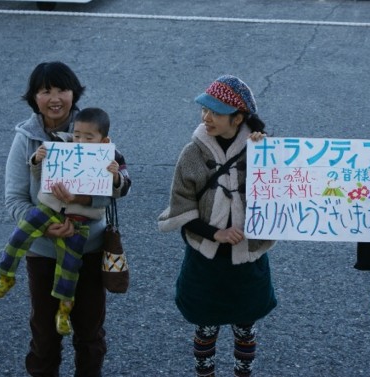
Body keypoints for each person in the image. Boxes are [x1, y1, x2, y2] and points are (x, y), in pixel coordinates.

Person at [3, 62, 130, 376]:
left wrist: (115, 178)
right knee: (44, 335)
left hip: (89, 247)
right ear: (34, 97)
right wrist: (46, 227)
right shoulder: (26, 139)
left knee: (89, 333)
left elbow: (123, 184)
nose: (55, 98)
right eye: (45, 91)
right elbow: (14, 199)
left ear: (75, 93)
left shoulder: (91, 129)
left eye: (62, 89)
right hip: (43, 253)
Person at [158, 75, 277, 377]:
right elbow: (181, 206)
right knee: (205, 329)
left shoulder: (263, 150)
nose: (206, 117)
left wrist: (267, 157)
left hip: (247, 257)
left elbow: (282, 194)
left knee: (245, 329)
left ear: (238, 118)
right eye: (204, 110)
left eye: (216, 112)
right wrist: (216, 233)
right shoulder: (193, 152)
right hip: (206, 258)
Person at [0, 107, 131, 337]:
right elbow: (38, 175)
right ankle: (5, 275)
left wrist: (115, 177)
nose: (80, 141)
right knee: (19, 235)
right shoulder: (60, 145)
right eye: (77, 135)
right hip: (48, 209)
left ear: (104, 140)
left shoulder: (111, 156)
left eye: (88, 137)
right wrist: (37, 158)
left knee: (69, 267)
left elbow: (121, 189)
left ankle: (64, 310)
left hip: (79, 222)